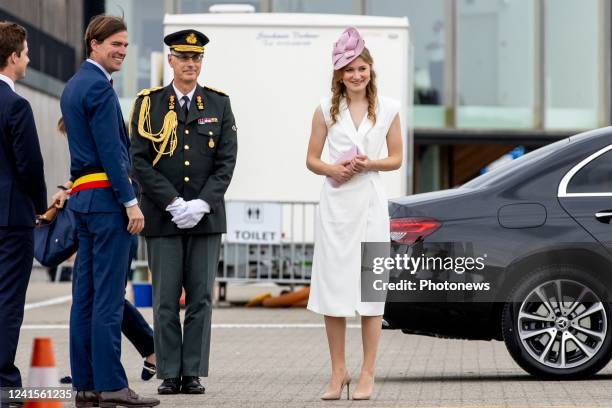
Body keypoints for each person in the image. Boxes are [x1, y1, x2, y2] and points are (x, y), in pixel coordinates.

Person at [130, 29, 238, 396]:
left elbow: (226, 161)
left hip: (206, 217)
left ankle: (192, 371)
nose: (190, 64)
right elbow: (140, 161)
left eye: (196, 58)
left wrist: (202, 203)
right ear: (170, 61)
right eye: (183, 57)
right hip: (163, 217)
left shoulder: (219, 104)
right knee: (164, 300)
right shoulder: (150, 104)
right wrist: (174, 203)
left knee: (200, 298)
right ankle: (168, 372)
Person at [60, 14, 158, 407]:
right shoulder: (99, 88)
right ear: (94, 44)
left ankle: (85, 384)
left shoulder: (74, 85)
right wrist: (130, 202)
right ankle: (114, 385)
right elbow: (112, 155)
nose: (121, 51)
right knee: (107, 297)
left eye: (124, 45)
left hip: (84, 201)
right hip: (106, 203)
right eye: (114, 44)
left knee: (84, 297)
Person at [306, 27, 403, 401]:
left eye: (361, 68)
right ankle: (338, 372)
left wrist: (368, 164)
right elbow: (312, 159)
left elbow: (395, 158)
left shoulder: (390, 108)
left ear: (370, 70)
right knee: (333, 290)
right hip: (335, 208)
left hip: (371, 206)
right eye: (349, 69)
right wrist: (334, 169)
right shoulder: (324, 110)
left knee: (370, 291)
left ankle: (367, 372)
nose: (356, 75)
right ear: (339, 74)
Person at [52, 121, 157, 383]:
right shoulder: (97, 144)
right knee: (100, 297)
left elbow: (118, 171)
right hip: (104, 220)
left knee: (107, 299)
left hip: (117, 221)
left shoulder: (117, 143)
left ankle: (148, 350)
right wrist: (67, 188)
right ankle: (92, 368)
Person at [0, 21, 47, 407]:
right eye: (26, 52)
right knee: (8, 301)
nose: (28, 58)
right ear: (13, 56)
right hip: (11, 218)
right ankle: (3, 381)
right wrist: (40, 206)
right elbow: (30, 165)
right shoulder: (16, 105)